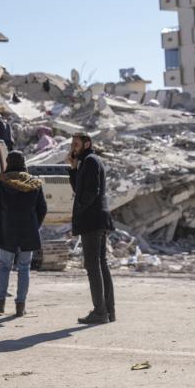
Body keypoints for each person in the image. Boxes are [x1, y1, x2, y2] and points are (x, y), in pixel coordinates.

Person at [0, 150, 47, 316]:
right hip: (28, 230)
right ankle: (20, 306)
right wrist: (35, 225)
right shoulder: (34, 183)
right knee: (24, 267)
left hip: (7, 229)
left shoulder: (1, 183)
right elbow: (42, 208)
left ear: (8, 162)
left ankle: (0, 303)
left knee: (4, 265)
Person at [68, 132, 115, 325]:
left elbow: (90, 191)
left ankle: (100, 311)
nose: (73, 148)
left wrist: (80, 209)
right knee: (100, 264)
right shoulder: (87, 162)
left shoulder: (91, 161)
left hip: (92, 220)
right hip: (97, 219)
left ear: (87, 144)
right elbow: (79, 189)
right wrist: (72, 168)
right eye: (72, 144)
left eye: (77, 144)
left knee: (93, 265)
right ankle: (108, 310)